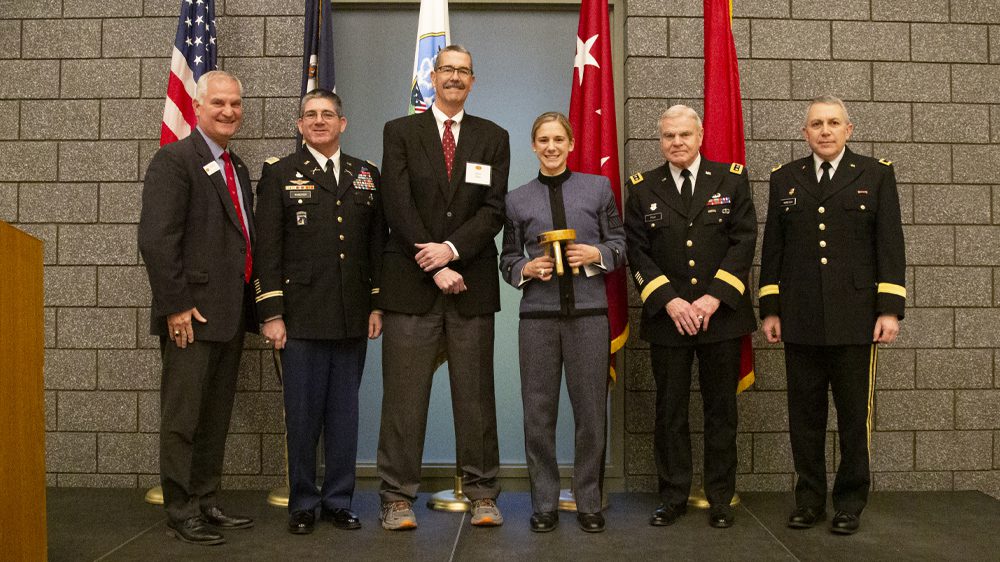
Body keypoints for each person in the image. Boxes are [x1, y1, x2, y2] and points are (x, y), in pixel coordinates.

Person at [375, 44, 510, 530]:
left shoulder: (493, 137)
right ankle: (395, 498)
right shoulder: (400, 132)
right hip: (411, 284)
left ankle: (482, 493)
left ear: (473, 81)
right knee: (404, 399)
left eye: (463, 71)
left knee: (475, 398)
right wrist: (431, 261)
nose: (454, 77)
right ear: (432, 76)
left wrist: (451, 252)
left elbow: (493, 209)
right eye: (446, 69)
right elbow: (395, 202)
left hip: (470, 284)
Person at [759, 95, 905, 535]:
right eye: (816, 124)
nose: (824, 131)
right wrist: (770, 308)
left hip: (856, 318)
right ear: (805, 133)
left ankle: (849, 503)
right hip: (800, 317)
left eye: (833, 123)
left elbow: (890, 245)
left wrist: (890, 310)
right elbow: (774, 250)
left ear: (849, 129)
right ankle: (808, 501)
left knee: (852, 417)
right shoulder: (784, 178)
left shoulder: (876, 174)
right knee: (804, 417)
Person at [253, 89, 387, 535]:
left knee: (344, 417)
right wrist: (271, 313)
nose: (319, 121)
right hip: (301, 318)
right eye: (310, 115)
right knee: (305, 415)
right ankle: (304, 503)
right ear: (300, 125)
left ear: (342, 123)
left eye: (328, 114)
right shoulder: (279, 173)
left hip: (351, 315)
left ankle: (338, 500)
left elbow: (375, 247)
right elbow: (266, 249)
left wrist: (376, 303)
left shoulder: (366, 173)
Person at [624, 105, 757, 529]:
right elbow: (636, 250)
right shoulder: (643, 188)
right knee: (670, 411)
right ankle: (673, 496)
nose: (676, 143)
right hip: (669, 318)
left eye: (684, 135)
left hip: (721, 317)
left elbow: (744, 240)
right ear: (660, 141)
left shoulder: (731, 178)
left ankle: (721, 496)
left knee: (721, 411)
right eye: (668, 137)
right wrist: (671, 301)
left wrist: (712, 299)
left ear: (700, 136)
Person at [138, 70, 256, 546]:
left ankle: (206, 499)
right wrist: (177, 305)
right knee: (183, 420)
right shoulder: (174, 160)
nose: (229, 111)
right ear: (198, 107)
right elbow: (157, 240)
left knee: (213, 418)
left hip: (228, 316)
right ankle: (181, 509)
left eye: (235, 104)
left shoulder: (237, 166)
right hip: (190, 316)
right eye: (219, 104)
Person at [499, 112, 625, 533]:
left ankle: (589, 500)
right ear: (533, 146)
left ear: (570, 144)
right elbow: (507, 258)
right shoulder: (516, 199)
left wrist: (595, 255)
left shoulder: (597, 188)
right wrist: (526, 270)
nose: (551, 147)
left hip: (589, 316)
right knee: (538, 412)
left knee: (590, 412)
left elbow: (620, 243)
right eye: (543, 140)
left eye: (558, 139)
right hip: (537, 318)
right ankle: (545, 504)